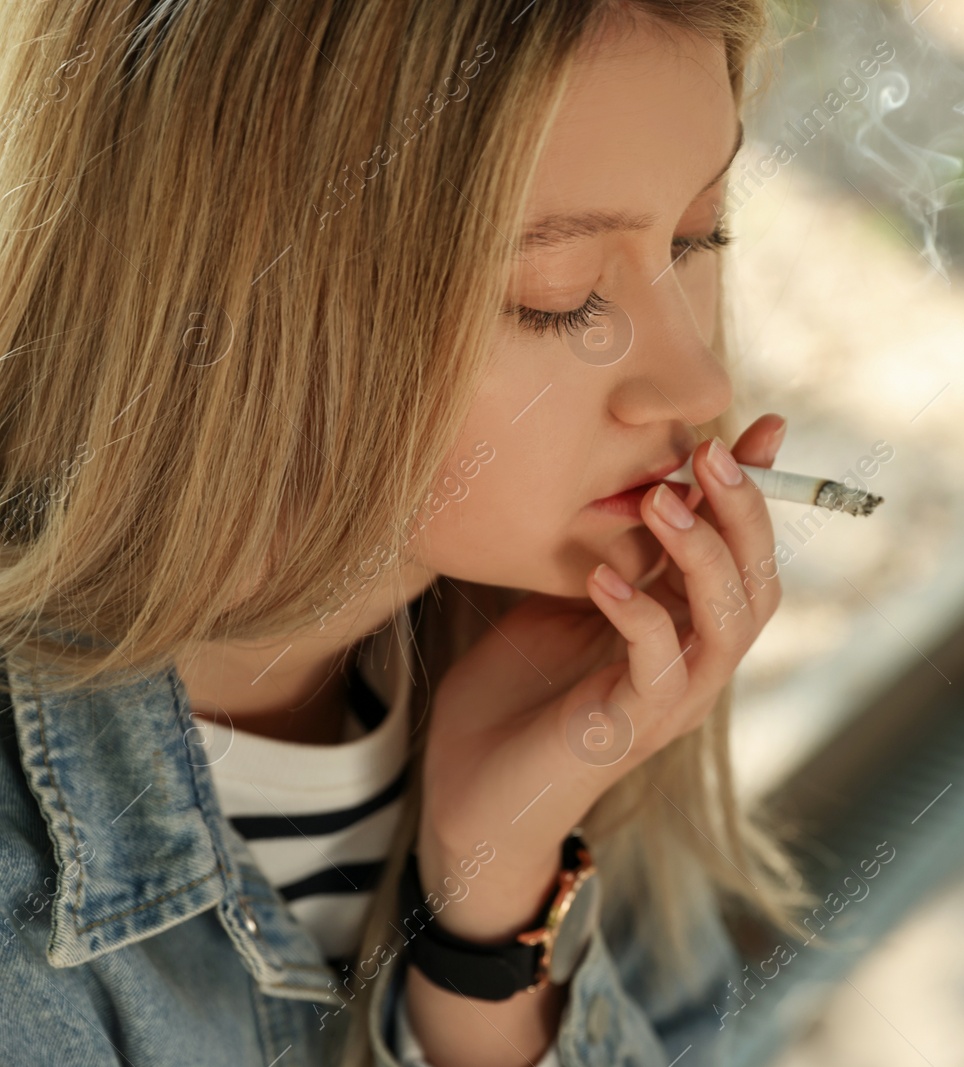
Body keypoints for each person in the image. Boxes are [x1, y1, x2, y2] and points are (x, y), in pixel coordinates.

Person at [0, 1, 806, 1064]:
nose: (699, 378)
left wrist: (495, 900)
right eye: (560, 298)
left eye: (698, 234)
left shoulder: (593, 659)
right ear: (238, 308)